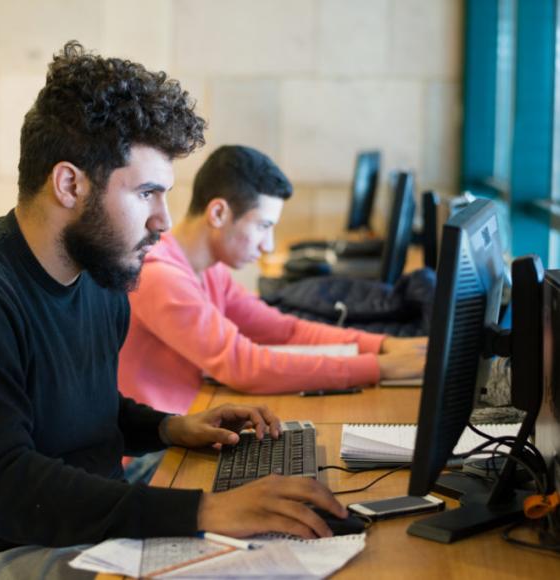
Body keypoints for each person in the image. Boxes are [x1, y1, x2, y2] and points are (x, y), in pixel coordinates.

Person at [0, 42, 347, 579]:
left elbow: (85, 409)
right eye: (147, 193)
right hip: (10, 549)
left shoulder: (100, 274)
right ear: (68, 184)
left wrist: (170, 428)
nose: (165, 221)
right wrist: (205, 511)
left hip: (95, 526)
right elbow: (4, 480)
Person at [119, 145, 427, 414]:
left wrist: (386, 345)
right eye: (263, 226)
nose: (268, 245)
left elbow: (285, 331)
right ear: (218, 213)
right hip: (155, 458)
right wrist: (381, 367)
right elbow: (244, 365)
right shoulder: (159, 275)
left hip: (198, 419)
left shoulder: (210, 269)